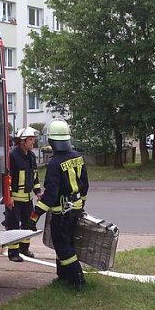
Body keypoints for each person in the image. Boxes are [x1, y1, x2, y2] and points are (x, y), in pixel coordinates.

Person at [29, 119, 88, 288]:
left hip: (61, 213)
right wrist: (81, 205)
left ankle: (78, 280)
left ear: (51, 141)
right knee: (67, 242)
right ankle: (62, 276)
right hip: (75, 209)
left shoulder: (54, 163)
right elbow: (85, 184)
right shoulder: (78, 157)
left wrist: (34, 217)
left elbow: (50, 196)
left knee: (62, 246)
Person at [4, 126, 42, 262]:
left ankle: (24, 248)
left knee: (28, 223)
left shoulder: (31, 156)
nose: (33, 142)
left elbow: (35, 175)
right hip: (14, 199)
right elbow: (8, 178)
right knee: (13, 224)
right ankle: (13, 253)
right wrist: (9, 196)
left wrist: (38, 192)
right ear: (22, 141)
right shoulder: (13, 156)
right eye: (31, 140)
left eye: (33, 140)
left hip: (27, 198)